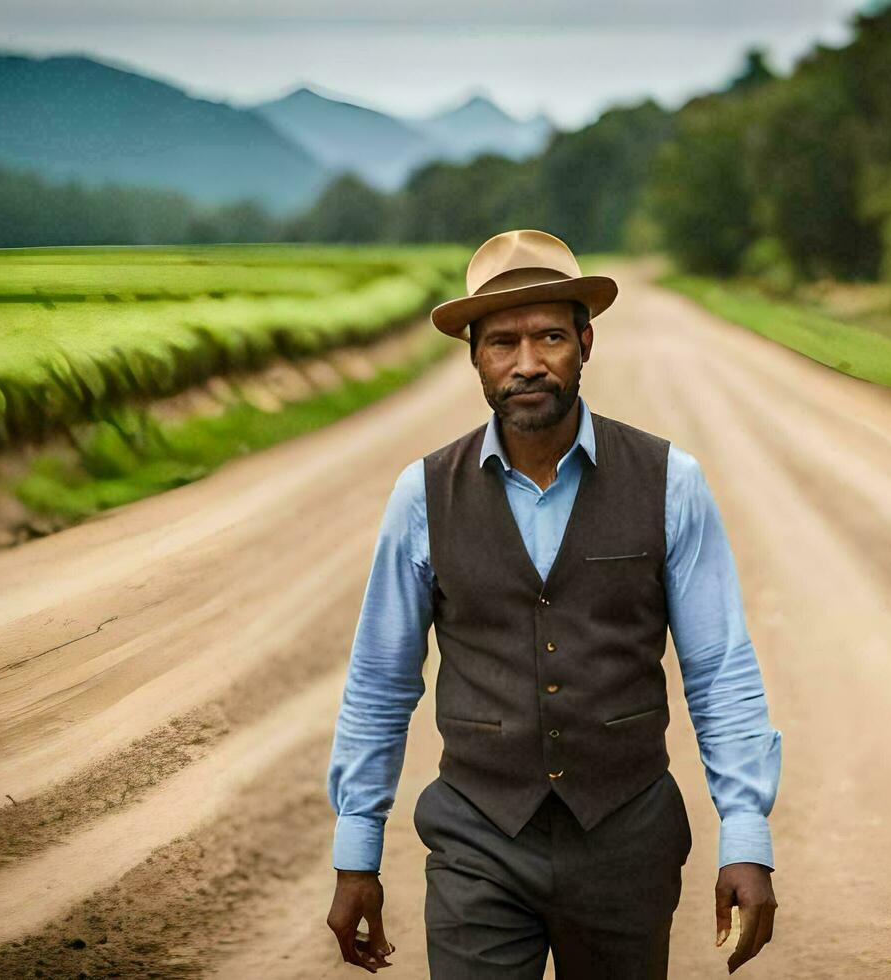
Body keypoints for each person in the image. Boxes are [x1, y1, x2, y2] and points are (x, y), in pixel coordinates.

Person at [324, 229, 782, 978]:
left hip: (627, 842)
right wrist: (355, 854)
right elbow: (380, 681)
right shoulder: (423, 495)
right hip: (478, 842)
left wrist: (746, 837)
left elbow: (719, 668)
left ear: (586, 344)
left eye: (550, 337)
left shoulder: (670, 481)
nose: (528, 363)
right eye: (502, 342)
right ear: (475, 356)